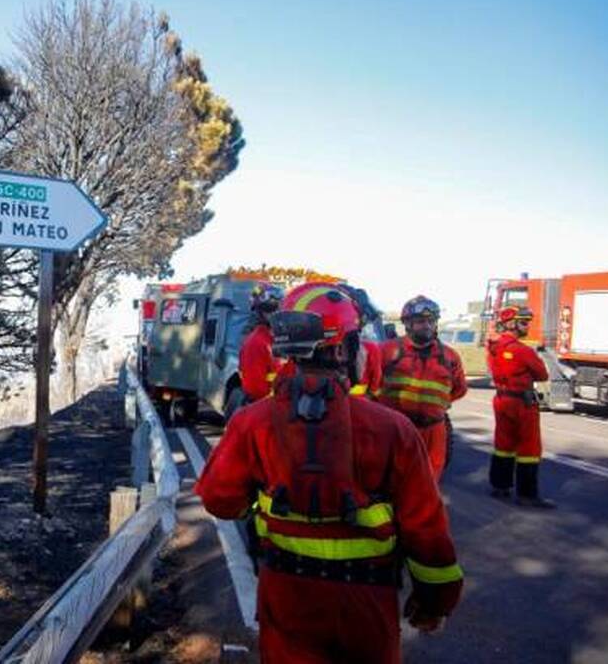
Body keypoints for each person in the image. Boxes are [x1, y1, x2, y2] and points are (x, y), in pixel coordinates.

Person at [195, 284, 463, 664]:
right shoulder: (393, 429)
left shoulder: (252, 422)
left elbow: (219, 500)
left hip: (286, 602)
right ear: (341, 349)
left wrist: (262, 507)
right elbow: (426, 529)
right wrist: (436, 602)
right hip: (368, 607)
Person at [377, 296, 468, 482]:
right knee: (391, 484)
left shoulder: (450, 356)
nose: (426, 325)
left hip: (434, 431)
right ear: (407, 324)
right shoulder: (386, 351)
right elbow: (370, 385)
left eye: (431, 321)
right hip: (396, 430)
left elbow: (459, 389)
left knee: (429, 485)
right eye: (420, 321)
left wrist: (434, 406)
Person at [487, 305, 554, 508]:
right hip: (522, 403)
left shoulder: (493, 347)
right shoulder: (522, 350)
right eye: (523, 322)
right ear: (511, 323)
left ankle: (500, 486)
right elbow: (542, 375)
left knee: (503, 444)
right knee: (529, 448)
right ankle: (527, 495)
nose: (527, 326)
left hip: (501, 400)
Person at [237, 282, 284, 402]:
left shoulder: (280, 338)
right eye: (269, 309)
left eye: (277, 308)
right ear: (259, 313)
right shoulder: (256, 343)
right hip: (266, 407)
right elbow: (256, 391)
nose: (275, 314)